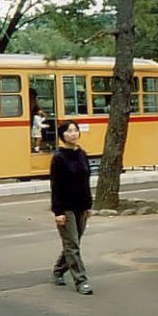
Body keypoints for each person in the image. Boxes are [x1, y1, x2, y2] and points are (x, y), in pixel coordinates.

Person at [50, 120, 94, 295]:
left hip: (82, 205)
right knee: (72, 244)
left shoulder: (82, 154)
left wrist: (89, 205)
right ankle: (81, 280)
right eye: (69, 131)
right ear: (62, 136)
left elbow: (86, 181)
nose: (73, 134)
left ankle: (59, 270)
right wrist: (58, 212)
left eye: (75, 130)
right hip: (66, 207)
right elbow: (56, 186)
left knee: (73, 243)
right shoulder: (59, 157)